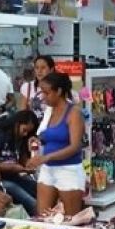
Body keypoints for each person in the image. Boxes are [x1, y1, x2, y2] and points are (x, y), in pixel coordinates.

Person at [26, 73, 85, 216]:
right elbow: (46, 136)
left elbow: (75, 146)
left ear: (58, 91)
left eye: (46, 93)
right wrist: (36, 140)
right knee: (43, 217)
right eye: (42, 92)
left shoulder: (74, 113)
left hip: (69, 170)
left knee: (71, 220)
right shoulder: (49, 111)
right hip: (48, 170)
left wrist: (47, 157)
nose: (43, 97)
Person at [0, 110, 40, 215]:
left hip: (14, 176)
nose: (25, 134)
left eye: (28, 132)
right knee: (31, 201)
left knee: (38, 188)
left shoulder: (20, 140)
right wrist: (14, 168)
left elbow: (23, 160)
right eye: (24, 130)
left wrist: (28, 164)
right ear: (17, 123)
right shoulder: (0, 136)